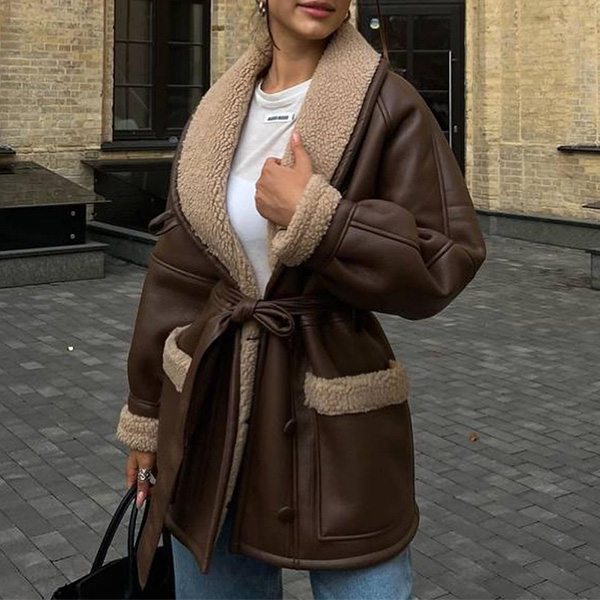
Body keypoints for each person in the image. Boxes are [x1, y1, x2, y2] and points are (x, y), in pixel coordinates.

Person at [115, 0, 487, 598]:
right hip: (213, 410)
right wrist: (147, 418)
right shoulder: (216, 112)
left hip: (335, 416)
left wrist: (321, 219)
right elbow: (177, 279)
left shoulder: (388, 105)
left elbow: (448, 257)